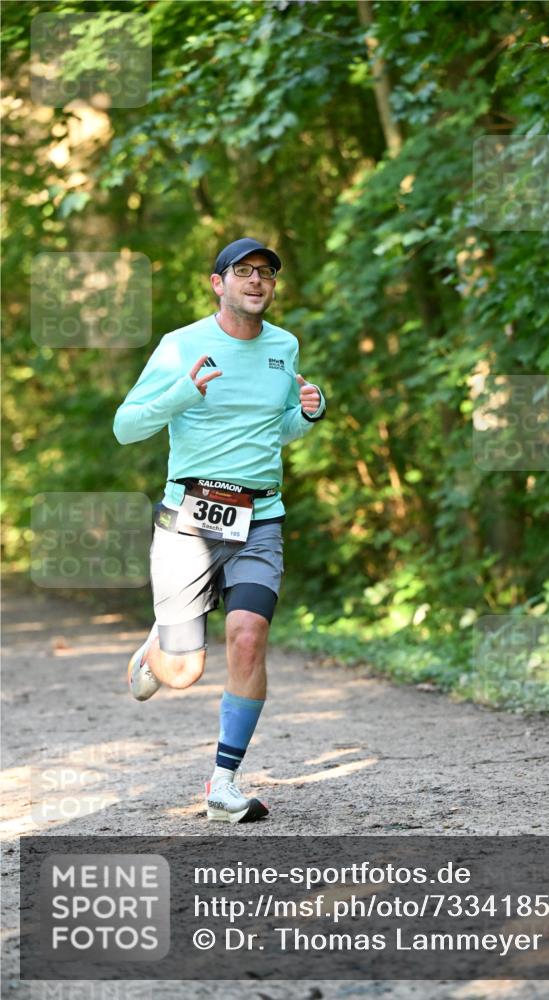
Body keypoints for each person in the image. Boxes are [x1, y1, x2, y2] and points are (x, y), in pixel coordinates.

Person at [113, 237, 326, 823]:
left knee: (249, 636)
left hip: (261, 517)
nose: (256, 281)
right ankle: (162, 647)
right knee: (184, 672)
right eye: (243, 271)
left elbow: (273, 429)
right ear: (218, 283)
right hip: (190, 519)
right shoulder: (180, 345)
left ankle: (223, 785)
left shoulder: (285, 346)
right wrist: (183, 392)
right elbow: (126, 427)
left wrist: (307, 414)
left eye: (266, 273)